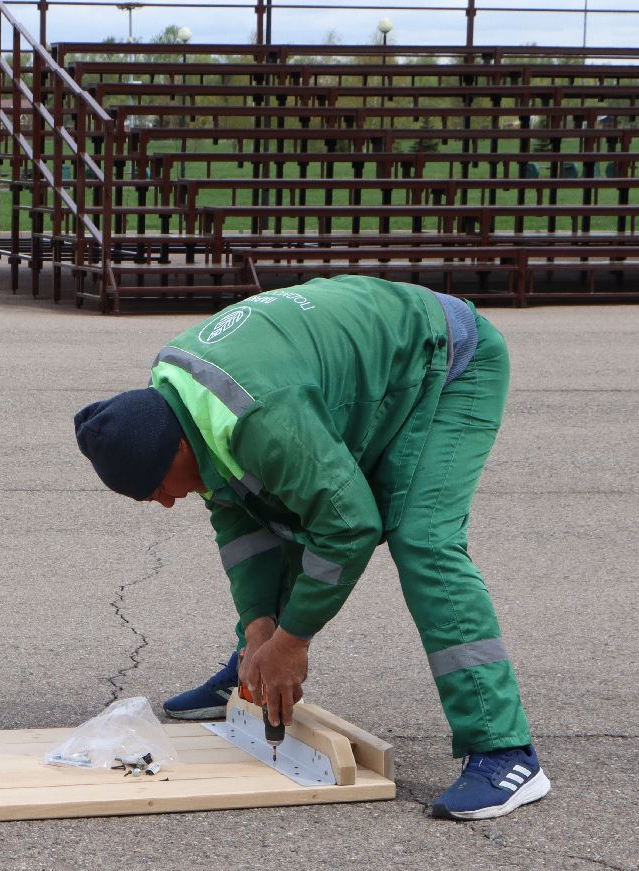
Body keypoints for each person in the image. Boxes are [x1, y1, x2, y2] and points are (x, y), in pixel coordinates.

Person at [73, 276, 549, 821]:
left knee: (422, 539)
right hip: (367, 374)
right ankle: (252, 671)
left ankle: (504, 750)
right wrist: (258, 628)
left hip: (449, 362)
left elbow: (349, 527)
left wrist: (293, 638)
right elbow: (237, 517)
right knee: (274, 502)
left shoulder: (258, 417)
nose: (163, 502)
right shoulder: (178, 405)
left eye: (157, 487)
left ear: (174, 446)